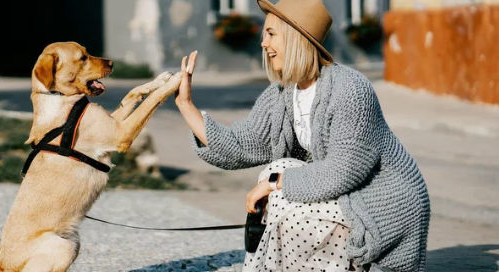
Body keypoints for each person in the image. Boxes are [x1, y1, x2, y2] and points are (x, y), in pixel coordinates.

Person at [174, 0, 430, 271]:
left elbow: (342, 172)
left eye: (271, 34)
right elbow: (241, 145)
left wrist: (274, 184)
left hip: (382, 203)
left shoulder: (351, 90)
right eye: (264, 34)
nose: (263, 43)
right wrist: (186, 106)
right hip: (345, 195)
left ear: (296, 37)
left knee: (282, 195)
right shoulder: (283, 93)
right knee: (277, 172)